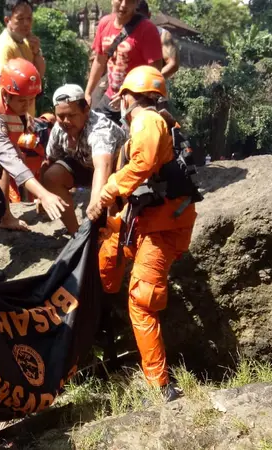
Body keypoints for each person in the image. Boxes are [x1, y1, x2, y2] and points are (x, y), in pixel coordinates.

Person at [89, 66, 197, 401]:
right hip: (147, 218)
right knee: (105, 254)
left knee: (142, 300)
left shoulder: (147, 121)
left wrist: (106, 193)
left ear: (126, 96)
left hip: (163, 228)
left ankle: (160, 384)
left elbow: (143, 164)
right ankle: (101, 321)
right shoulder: (155, 120)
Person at [0, 58, 68, 283]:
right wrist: (44, 194)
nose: (27, 105)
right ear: (7, 94)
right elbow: (11, 162)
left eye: (31, 100)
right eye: (22, 101)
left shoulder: (7, 94)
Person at [0, 0, 47, 230]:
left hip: (23, 113)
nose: (26, 23)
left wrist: (37, 51)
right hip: (9, 113)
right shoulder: (5, 47)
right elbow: (3, 86)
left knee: (17, 159)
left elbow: (38, 77)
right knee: (5, 162)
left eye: (29, 19)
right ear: (7, 20)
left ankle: (7, 212)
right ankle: (5, 216)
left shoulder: (25, 42)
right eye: (20, 18)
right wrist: (17, 118)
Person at [42, 84, 127, 235]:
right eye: (61, 116)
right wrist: (41, 194)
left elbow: (103, 166)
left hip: (116, 172)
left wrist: (95, 200)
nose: (66, 121)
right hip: (85, 168)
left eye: (72, 115)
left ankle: (111, 237)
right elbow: (50, 160)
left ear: (86, 110)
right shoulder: (58, 128)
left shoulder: (99, 129)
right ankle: (76, 234)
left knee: (108, 205)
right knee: (51, 176)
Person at [84, 0, 163, 123]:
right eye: (120, 0)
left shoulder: (147, 29)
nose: (123, 5)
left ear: (136, 3)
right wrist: (88, 92)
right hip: (110, 97)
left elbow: (155, 72)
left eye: (130, 1)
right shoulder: (104, 24)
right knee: (95, 131)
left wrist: (129, 95)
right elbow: (99, 61)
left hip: (137, 102)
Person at [137, 0, 179, 78]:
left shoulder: (162, 35)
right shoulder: (121, 34)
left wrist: (149, 80)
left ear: (149, 15)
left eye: (140, 19)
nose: (138, 24)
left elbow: (173, 64)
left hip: (151, 86)